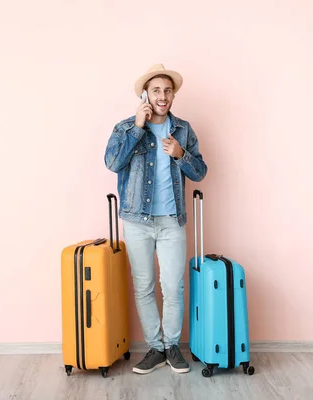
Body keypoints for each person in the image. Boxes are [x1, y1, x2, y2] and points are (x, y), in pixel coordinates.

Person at [104, 64, 208, 374]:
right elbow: (112, 162)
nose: (162, 96)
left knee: (173, 287)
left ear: (173, 95)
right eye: (156, 90)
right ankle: (155, 347)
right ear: (145, 95)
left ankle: (173, 346)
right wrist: (137, 128)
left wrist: (181, 154)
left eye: (167, 90)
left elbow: (200, 172)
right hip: (137, 220)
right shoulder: (125, 128)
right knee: (144, 286)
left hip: (171, 220)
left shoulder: (183, 130)